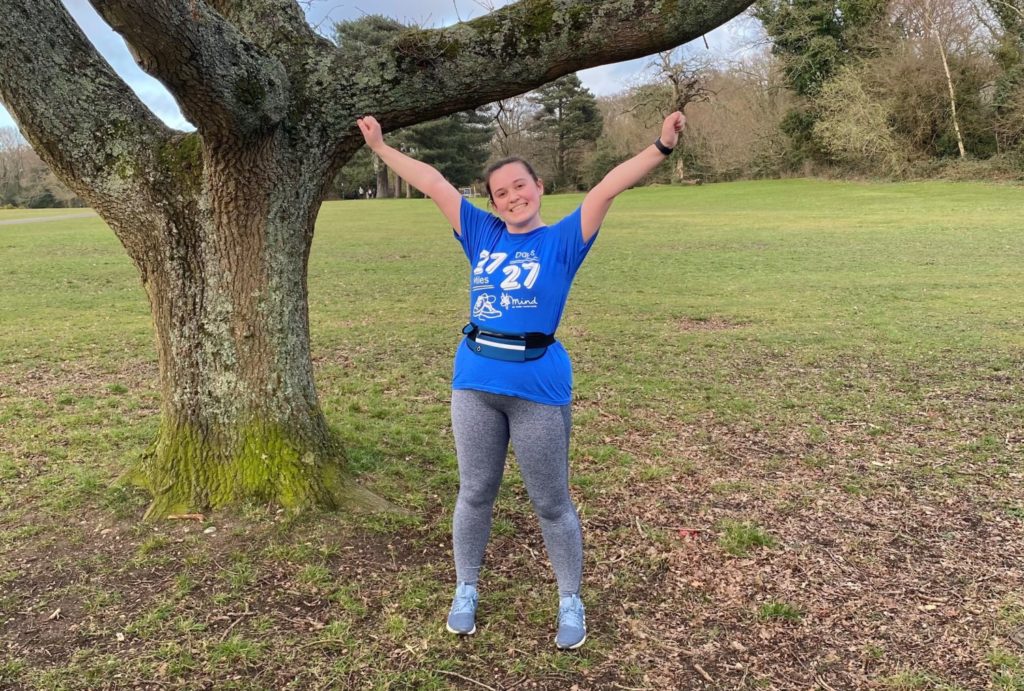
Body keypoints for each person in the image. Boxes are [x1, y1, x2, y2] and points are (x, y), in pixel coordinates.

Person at [356, 110, 685, 650]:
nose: (512, 197)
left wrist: (661, 146)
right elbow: (434, 182)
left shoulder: (562, 241)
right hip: (475, 387)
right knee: (475, 492)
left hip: (537, 390)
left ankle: (570, 598)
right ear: (492, 203)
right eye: (500, 193)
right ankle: (466, 588)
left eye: (520, 186)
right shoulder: (481, 233)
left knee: (551, 502)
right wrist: (382, 148)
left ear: (538, 188)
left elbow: (607, 187)